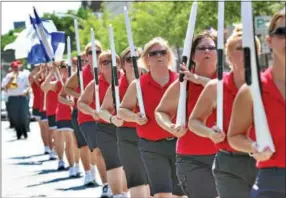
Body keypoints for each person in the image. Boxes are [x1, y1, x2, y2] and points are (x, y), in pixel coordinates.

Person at [188, 26, 260, 198]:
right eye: (240, 49)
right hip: (229, 163)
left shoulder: (268, 85)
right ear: (227, 57)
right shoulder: (216, 87)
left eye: (251, 49)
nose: (246, 53)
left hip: (264, 162)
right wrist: (209, 133)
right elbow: (194, 121)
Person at [227, 9, 285, 198]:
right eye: (282, 33)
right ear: (269, 40)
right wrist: (254, 147)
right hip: (273, 180)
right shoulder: (253, 90)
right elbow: (235, 135)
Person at [118, 37, 185, 198]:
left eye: (163, 52)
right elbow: (121, 111)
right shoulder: (138, 84)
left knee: (180, 194)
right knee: (162, 194)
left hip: (179, 144)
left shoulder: (181, 81)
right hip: (151, 146)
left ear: (169, 56)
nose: (159, 56)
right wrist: (134, 117)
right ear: (146, 59)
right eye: (153, 53)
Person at [155, 32, 218, 198]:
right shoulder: (183, 85)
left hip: (225, 156)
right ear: (192, 55)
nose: (207, 51)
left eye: (211, 48)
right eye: (202, 48)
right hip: (192, 158)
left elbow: (222, 93)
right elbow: (160, 112)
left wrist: (199, 79)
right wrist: (171, 127)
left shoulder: (227, 81)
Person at [98, 47, 149, 197]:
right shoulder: (116, 86)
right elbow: (103, 110)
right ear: (122, 65)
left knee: (152, 179)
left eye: (137, 58)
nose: (133, 62)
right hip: (127, 134)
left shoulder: (151, 80)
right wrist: (113, 118)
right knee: (137, 179)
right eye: (128, 59)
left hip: (151, 135)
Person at [78, 50, 127, 198]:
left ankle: (124, 191)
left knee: (125, 160)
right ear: (99, 66)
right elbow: (81, 103)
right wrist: (93, 111)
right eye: (104, 62)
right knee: (109, 159)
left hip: (125, 125)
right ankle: (111, 188)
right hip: (104, 125)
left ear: (118, 64)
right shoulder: (96, 83)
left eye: (112, 61)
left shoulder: (125, 79)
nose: (109, 65)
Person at [65, 41, 110, 194]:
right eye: (90, 52)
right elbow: (67, 88)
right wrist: (81, 96)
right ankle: (105, 184)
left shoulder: (109, 69)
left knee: (109, 151)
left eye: (97, 51)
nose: (94, 55)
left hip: (107, 115)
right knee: (97, 150)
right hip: (87, 116)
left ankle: (117, 183)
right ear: (86, 55)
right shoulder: (81, 73)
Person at [1, 60, 30, 139]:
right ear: (12, 68)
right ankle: (18, 132)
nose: (15, 69)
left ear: (19, 67)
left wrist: (26, 91)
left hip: (22, 98)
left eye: (16, 67)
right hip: (13, 98)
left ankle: (24, 130)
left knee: (23, 116)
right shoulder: (8, 76)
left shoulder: (24, 75)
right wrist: (10, 81)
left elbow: (28, 85)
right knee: (15, 117)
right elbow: (4, 88)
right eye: (14, 68)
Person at [29, 65, 50, 153]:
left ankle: (52, 146)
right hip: (38, 107)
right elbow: (32, 77)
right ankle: (46, 146)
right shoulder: (38, 81)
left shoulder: (48, 81)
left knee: (50, 129)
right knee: (43, 128)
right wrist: (39, 69)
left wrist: (48, 69)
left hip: (48, 107)